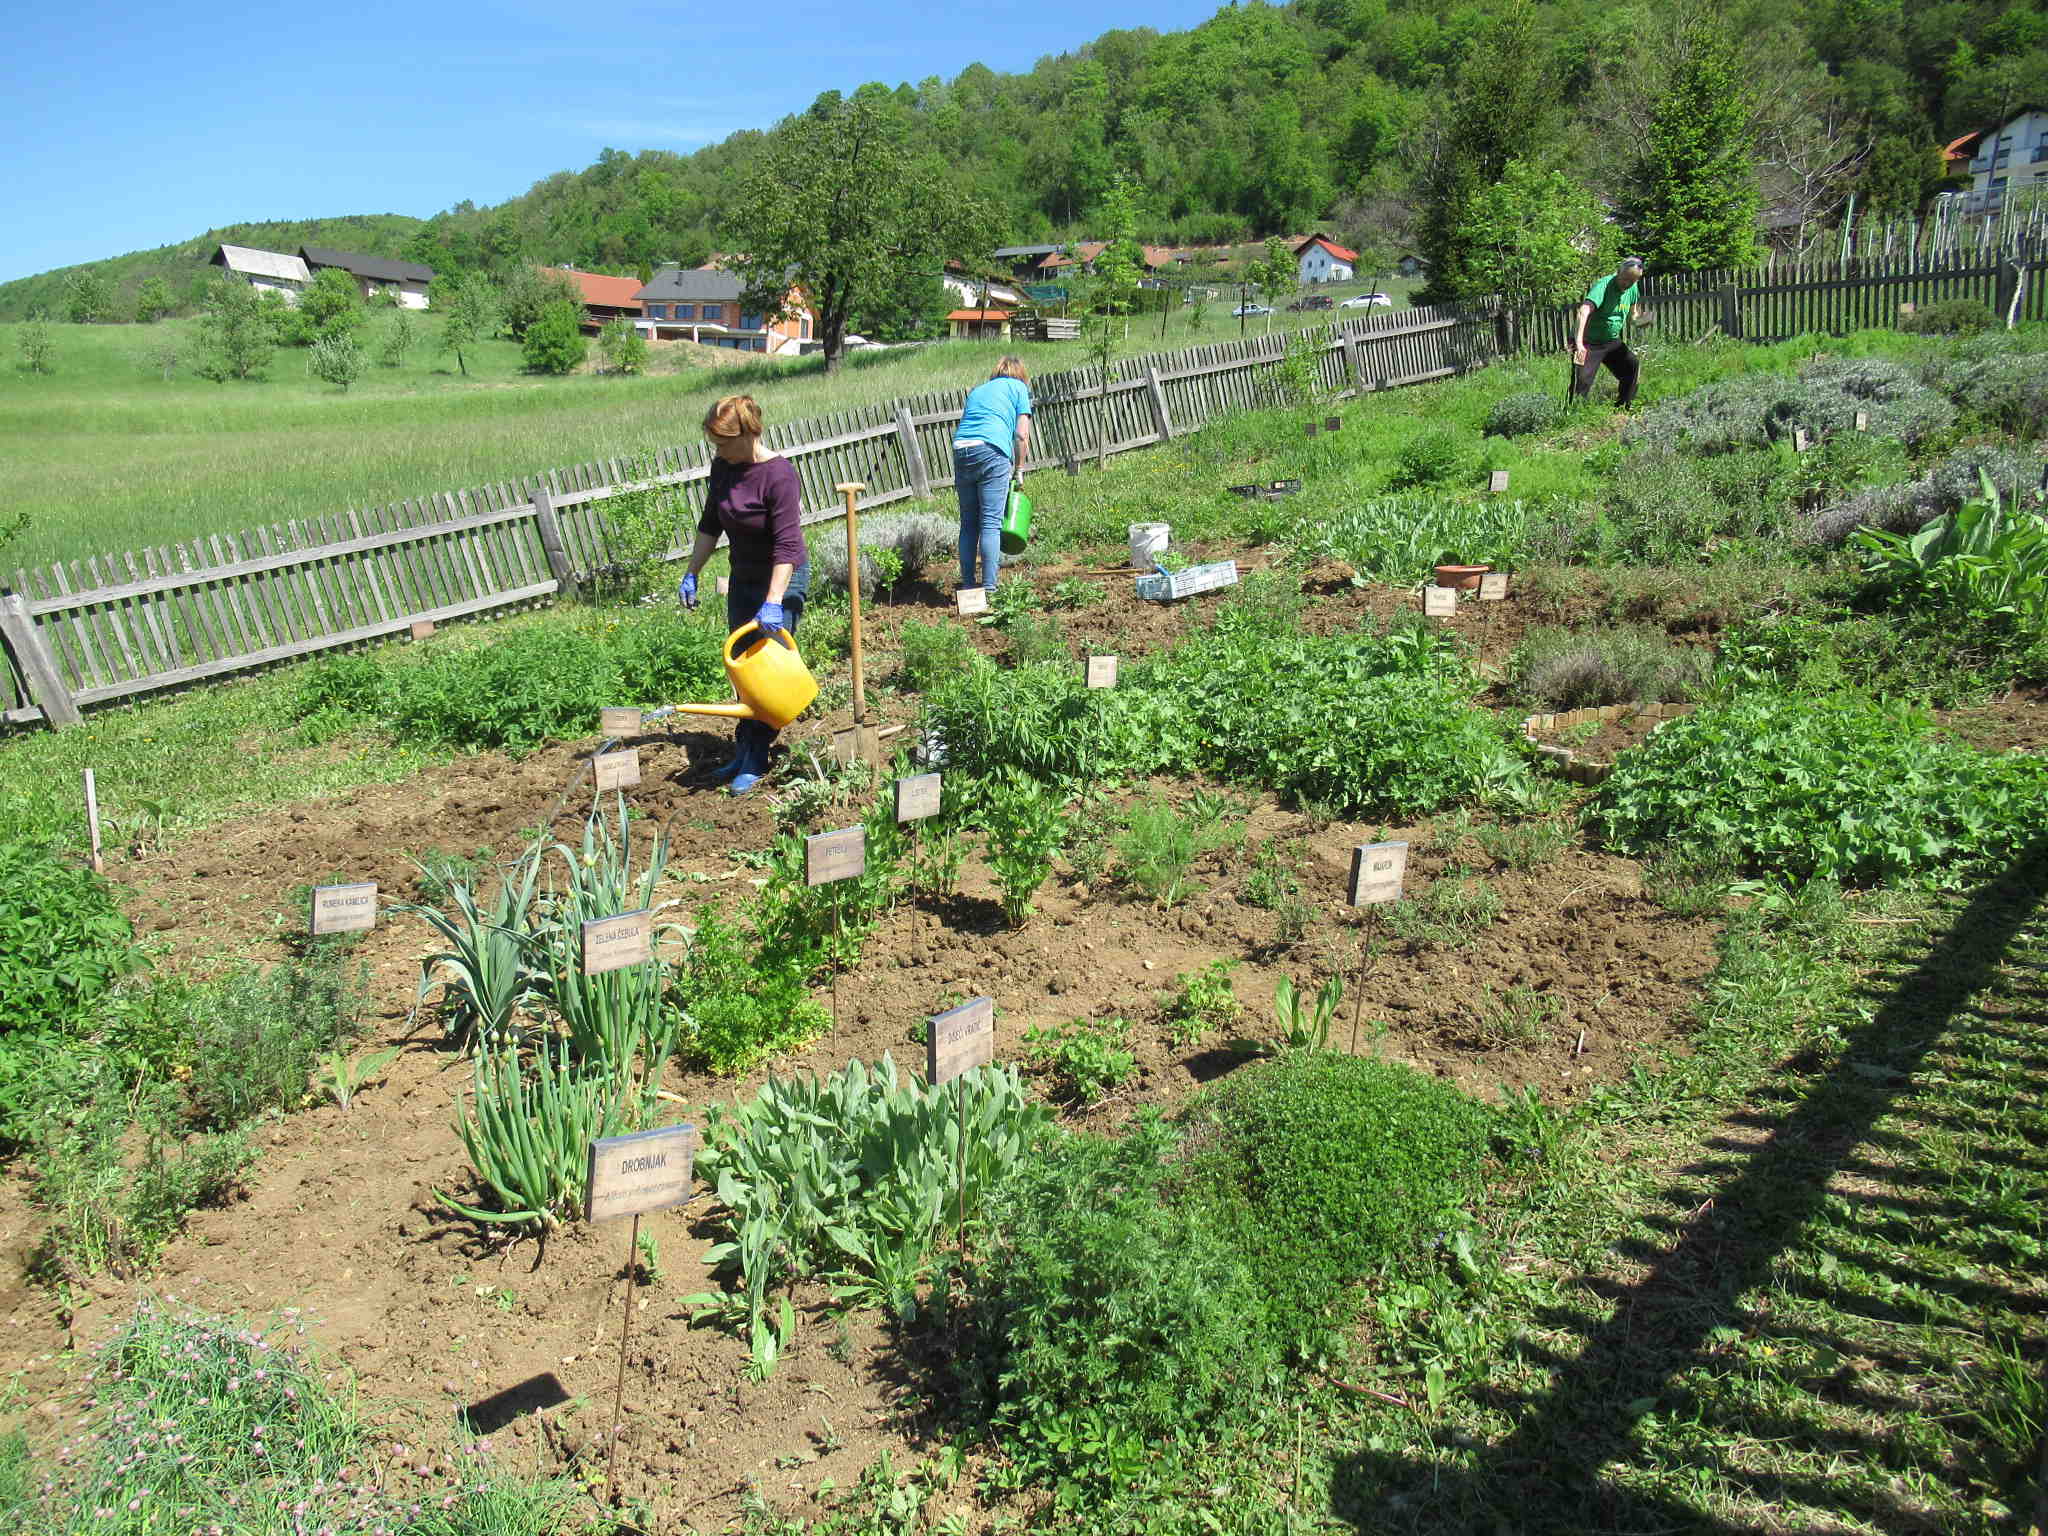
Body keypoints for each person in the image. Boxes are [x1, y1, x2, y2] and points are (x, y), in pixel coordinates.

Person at [677, 394, 809, 796]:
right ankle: (744, 749)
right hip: (743, 578)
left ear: (748, 435)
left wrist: (773, 600)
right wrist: (691, 572)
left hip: (781, 580)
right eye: (713, 443)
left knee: (765, 673)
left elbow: (787, 546)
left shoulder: (779, 475)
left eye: (722, 443)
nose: (716, 450)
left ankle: (755, 757)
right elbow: (710, 523)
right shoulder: (724, 467)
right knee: (743, 671)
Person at [952, 357, 1034, 592]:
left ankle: (968, 587)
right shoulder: (1019, 388)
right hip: (991, 451)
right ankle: (989, 590)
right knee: (990, 523)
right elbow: (1021, 435)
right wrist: (1019, 469)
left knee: (969, 524)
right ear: (1021, 375)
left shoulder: (978, 391)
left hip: (961, 449)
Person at [1570, 256, 1646, 409]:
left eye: (1632, 281)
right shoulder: (1604, 285)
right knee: (1582, 382)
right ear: (1618, 272)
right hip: (1588, 342)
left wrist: (1643, 322)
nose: (1627, 284)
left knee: (1631, 367)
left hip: (1611, 341)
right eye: (1625, 279)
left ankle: (1623, 407)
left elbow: (1633, 318)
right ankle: (1572, 415)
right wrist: (1579, 344)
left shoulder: (1633, 289)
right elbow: (1583, 311)